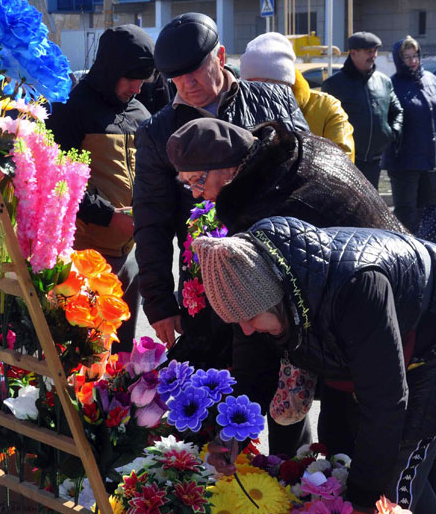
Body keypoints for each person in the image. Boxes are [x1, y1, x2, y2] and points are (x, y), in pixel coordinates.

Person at [196, 216, 436, 514]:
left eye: (251, 320)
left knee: (390, 496)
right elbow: (252, 372)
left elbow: (385, 404)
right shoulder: (258, 292)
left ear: (276, 297)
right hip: (381, 345)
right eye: (238, 323)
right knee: (348, 451)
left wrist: (365, 501)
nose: (246, 330)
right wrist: (229, 434)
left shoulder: (355, 286)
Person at [166, 117, 405, 454]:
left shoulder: (273, 205)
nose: (197, 194)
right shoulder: (286, 158)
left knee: (373, 462)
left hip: (393, 320)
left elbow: (256, 322)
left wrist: (238, 418)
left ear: (230, 170)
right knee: (347, 448)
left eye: (199, 180)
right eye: (187, 184)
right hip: (378, 306)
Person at [133, 12, 309, 351]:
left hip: (282, 272)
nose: (187, 84)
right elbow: (151, 220)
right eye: (176, 77)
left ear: (222, 57)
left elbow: (307, 171)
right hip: (209, 285)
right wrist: (158, 303)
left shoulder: (272, 98)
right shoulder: (157, 132)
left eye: (196, 70)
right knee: (221, 390)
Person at [45, 24, 155, 352]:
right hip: (85, 256)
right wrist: (109, 217)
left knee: (121, 354)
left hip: (130, 255)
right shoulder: (70, 109)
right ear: (110, 68)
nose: (136, 88)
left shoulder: (140, 112)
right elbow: (58, 182)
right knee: (85, 357)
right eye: (130, 78)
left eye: (142, 80)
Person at [382, 36, 436, 233]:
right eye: (407, 57)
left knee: (430, 212)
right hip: (404, 164)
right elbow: (386, 124)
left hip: (430, 161)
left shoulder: (432, 80)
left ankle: (429, 255)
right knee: (406, 215)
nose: (413, 61)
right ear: (399, 60)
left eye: (415, 55)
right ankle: (407, 255)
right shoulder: (392, 86)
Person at [238, 32, 355, 161]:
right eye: (250, 86)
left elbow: (342, 163)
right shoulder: (239, 110)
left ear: (286, 83)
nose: (259, 94)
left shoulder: (326, 108)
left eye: (267, 85)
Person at [322, 31, 403, 188]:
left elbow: (397, 111)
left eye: (375, 51)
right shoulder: (333, 85)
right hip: (348, 161)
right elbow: (325, 122)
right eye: (368, 52)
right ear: (353, 53)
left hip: (375, 160)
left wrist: (392, 133)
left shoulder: (384, 82)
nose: (373, 56)